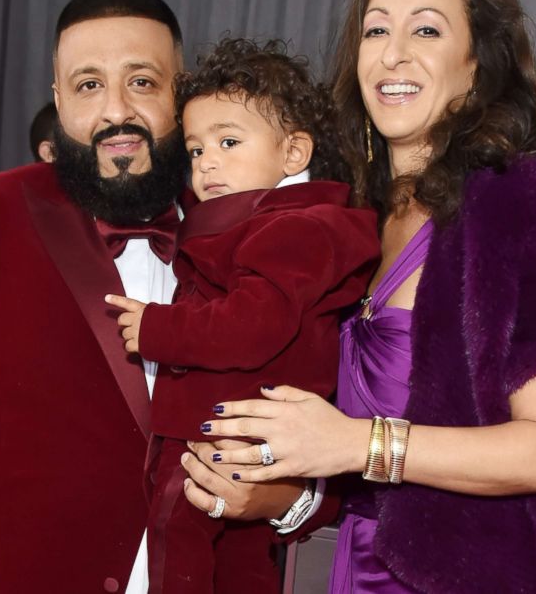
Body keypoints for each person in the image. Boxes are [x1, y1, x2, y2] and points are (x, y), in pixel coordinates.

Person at [179, 0, 536, 593]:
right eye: (376, 29)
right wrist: (282, 496)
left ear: (477, 65)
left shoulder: (520, 200)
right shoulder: (351, 214)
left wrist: (358, 444)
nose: (393, 52)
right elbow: (336, 451)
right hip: (355, 568)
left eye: (426, 29)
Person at [0, 0, 311, 594]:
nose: (115, 111)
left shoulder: (257, 237)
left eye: (141, 81)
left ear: (180, 93)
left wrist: (287, 498)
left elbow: (307, 428)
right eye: (88, 85)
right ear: (58, 100)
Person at [106, 38, 380, 593]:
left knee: (175, 535)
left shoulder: (293, 228)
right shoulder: (250, 217)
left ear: (294, 154)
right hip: (239, 424)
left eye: (229, 142)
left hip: (220, 423)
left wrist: (159, 327)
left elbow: (253, 325)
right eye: (196, 149)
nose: (208, 162)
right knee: (240, 560)